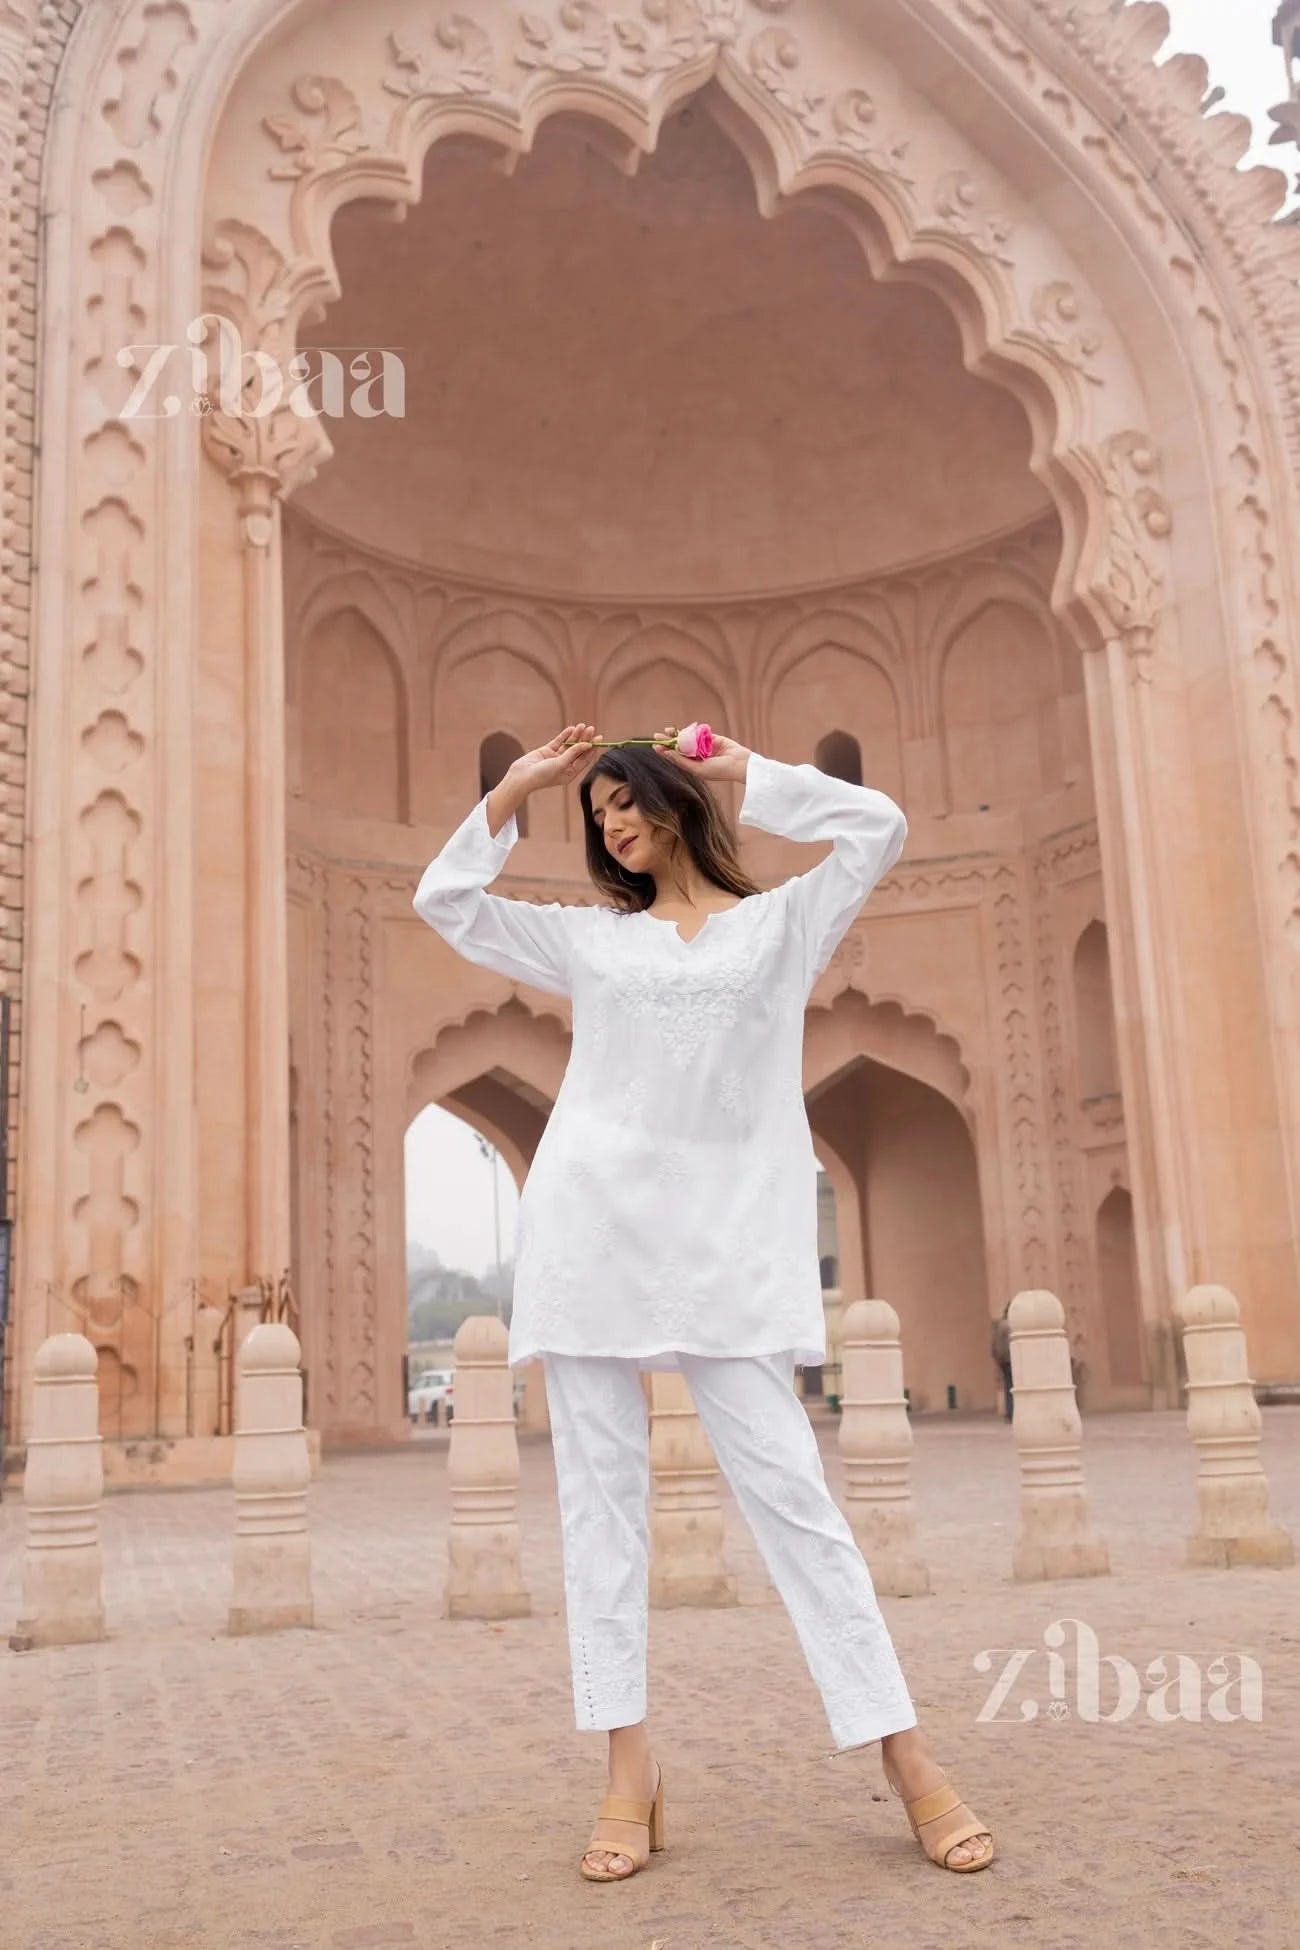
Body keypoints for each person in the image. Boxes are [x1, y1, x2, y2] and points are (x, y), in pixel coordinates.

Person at [413, 722, 994, 1882]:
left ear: (676, 798)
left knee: (797, 1509)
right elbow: (446, 900)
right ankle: (628, 1769)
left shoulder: (781, 926)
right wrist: (524, 789)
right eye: (598, 814)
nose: (612, 822)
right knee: (600, 1513)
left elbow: (876, 829)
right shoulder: (591, 943)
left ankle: (906, 1756)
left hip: (727, 1252)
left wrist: (747, 772)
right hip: (590, 1242)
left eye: (626, 799)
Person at [992, 1302, 1014, 1421]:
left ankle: (1009, 1411)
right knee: (1013, 1386)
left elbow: (994, 1345)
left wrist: (996, 1357)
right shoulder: (1011, 1326)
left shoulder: (1000, 1325)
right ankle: (1012, 1411)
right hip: (1011, 1359)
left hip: (1002, 1360)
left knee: (1007, 1386)